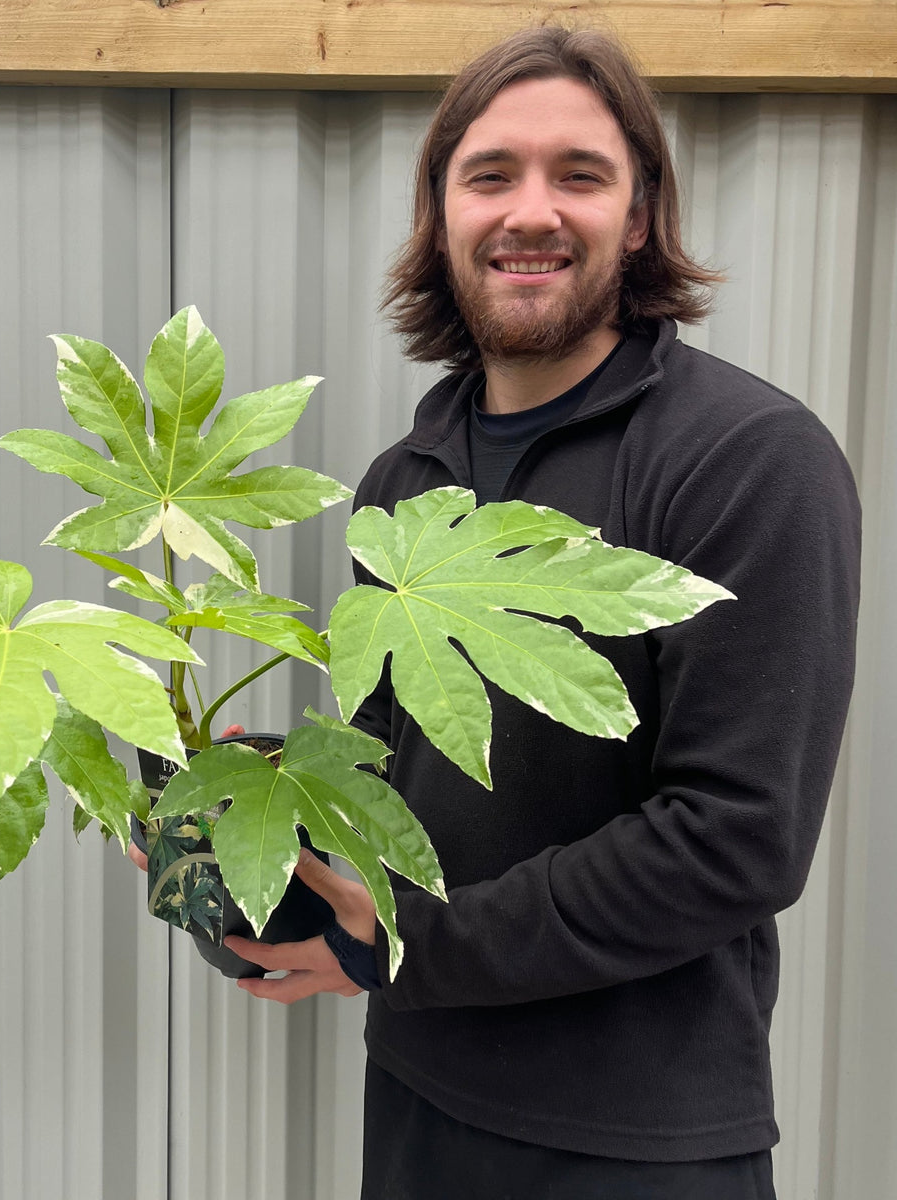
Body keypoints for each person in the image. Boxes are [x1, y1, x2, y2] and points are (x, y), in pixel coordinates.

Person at [135, 24, 861, 1199]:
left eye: (579, 174)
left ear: (638, 216)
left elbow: (736, 838)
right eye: (491, 174)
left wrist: (399, 941)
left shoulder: (749, 459)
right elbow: (406, 773)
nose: (532, 211)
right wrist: (247, 788)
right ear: (442, 215)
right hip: (418, 1094)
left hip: (635, 1138)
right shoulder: (404, 484)